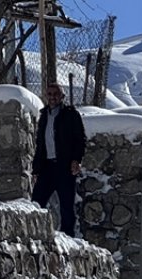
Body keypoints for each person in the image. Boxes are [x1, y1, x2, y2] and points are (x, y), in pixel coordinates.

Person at [32, 83, 86, 236]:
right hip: (46, 167)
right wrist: (36, 169)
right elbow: (40, 144)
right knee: (36, 203)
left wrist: (76, 159)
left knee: (66, 207)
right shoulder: (43, 116)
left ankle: (68, 239)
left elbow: (80, 139)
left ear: (62, 96)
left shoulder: (70, 115)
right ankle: (36, 235)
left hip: (64, 166)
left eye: (55, 94)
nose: (52, 97)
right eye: (49, 94)